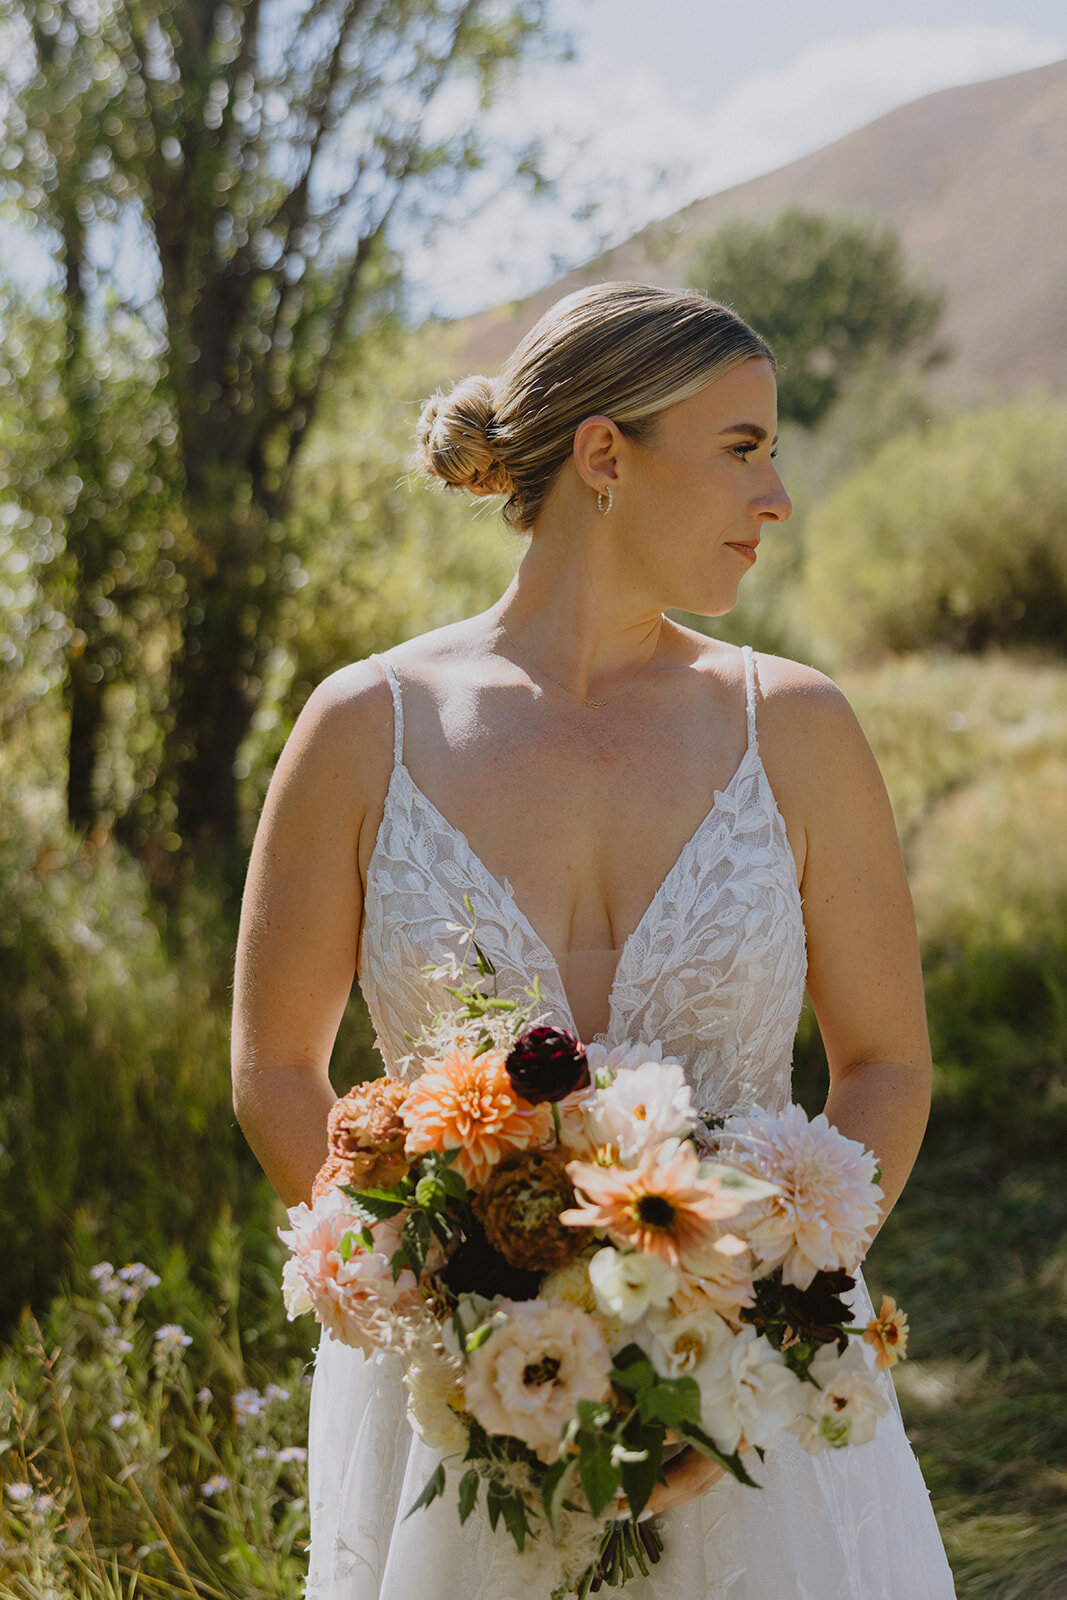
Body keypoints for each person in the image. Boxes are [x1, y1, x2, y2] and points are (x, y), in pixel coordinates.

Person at [232, 281, 957, 1598]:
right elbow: (278, 1068)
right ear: (606, 456)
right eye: (743, 448)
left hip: (749, 1407)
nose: (778, 497)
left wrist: (754, 1329)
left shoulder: (792, 728)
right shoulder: (362, 728)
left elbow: (886, 1065)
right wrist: (443, 1315)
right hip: (451, 1418)